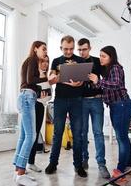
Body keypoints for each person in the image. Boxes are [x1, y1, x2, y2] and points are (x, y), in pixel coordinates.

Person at [89, 45, 131, 183]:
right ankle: (127, 166)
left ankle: (120, 170)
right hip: (117, 106)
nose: (101, 58)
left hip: (122, 105)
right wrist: (94, 82)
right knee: (124, 137)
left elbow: (115, 84)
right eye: (100, 55)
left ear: (111, 57)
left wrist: (99, 81)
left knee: (121, 138)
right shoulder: (107, 70)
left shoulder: (115, 68)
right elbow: (104, 87)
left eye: (103, 56)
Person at [45, 35, 87, 178]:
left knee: (78, 134)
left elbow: (83, 81)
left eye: (71, 49)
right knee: (57, 134)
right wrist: (60, 78)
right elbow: (51, 81)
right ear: (60, 47)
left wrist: (78, 83)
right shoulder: (56, 61)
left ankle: (78, 165)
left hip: (77, 100)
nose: (69, 51)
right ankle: (52, 163)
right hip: (60, 100)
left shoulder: (80, 60)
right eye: (66, 49)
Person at [13, 41, 48, 186]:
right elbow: (30, 80)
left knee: (23, 135)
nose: (45, 52)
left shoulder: (29, 61)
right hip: (27, 97)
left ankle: (18, 169)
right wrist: (48, 79)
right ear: (35, 49)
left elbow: (30, 82)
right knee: (31, 136)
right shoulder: (33, 59)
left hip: (26, 96)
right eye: (43, 49)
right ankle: (21, 174)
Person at [77, 38, 110, 179]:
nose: (81, 52)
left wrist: (98, 79)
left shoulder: (98, 61)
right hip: (81, 102)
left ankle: (101, 164)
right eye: (79, 50)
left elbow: (107, 79)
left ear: (90, 48)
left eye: (84, 49)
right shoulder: (76, 62)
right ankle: (84, 159)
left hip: (97, 101)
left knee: (98, 133)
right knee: (83, 133)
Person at [28, 55, 52, 172]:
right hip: (33, 105)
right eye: (43, 61)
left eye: (47, 62)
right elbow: (31, 91)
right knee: (30, 135)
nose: (45, 64)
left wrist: (43, 97)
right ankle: (25, 163)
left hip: (41, 106)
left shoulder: (45, 77)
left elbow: (49, 96)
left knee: (36, 134)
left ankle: (31, 162)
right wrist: (39, 96)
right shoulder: (34, 77)